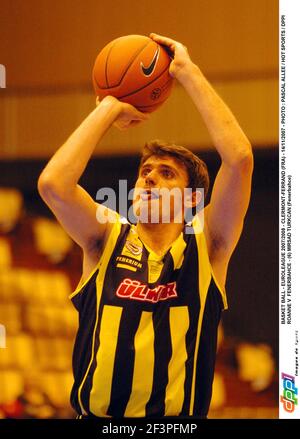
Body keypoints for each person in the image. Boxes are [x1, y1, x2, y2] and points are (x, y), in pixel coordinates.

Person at [38, 33, 253, 418]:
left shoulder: (208, 248)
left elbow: (238, 160)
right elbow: (53, 185)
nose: (149, 178)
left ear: (191, 200)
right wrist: (109, 107)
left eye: (166, 174)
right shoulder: (106, 237)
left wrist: (188, 73)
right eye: (145, 172)